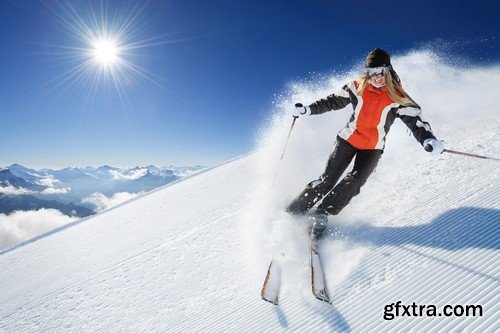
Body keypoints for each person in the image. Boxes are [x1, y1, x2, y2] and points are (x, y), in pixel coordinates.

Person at [287, 48, 444, 239]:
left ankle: (322, 214)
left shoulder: (398, 97)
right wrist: (307, 110)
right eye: (371, 72)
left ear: (388, 69)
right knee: (328, 179)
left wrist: (428, 138)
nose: (375, 77)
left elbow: (415, 121)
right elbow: (332, 102)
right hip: (348, 140)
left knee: (355, 182)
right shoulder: (357, 86)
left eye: (379, 71)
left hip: (373, 148)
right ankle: (295, 210)